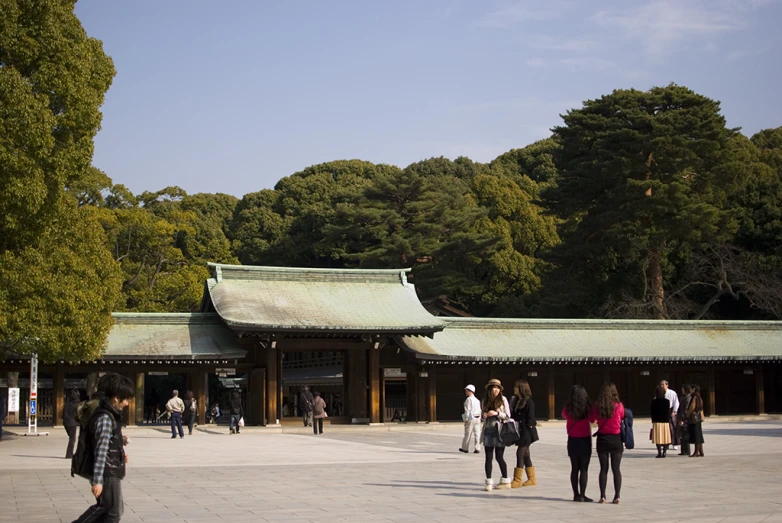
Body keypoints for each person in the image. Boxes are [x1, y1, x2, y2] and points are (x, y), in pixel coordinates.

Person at [72, 373, 135, 523]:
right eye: (125, 399)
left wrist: (120, 451)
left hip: (111, 467)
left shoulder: (111, 415)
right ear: (115, 398)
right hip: (107, 471)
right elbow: (100, 450)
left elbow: (109, 441)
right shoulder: (105, 418)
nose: (127, 403)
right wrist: (98, 480)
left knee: (110, 509)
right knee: (113, 512)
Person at [591, 382, 625, 504]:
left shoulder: (598, 406)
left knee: (603, 469)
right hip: (616, 438)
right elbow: (621, 416)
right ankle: (617, 496)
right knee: (616, 469)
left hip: (603, 439)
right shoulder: (618, 405)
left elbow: (594, 419)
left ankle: (603, 496)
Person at [562, 385, 593, 502]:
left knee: (574, 468)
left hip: (572, 439)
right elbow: (593, 419)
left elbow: (563, 415)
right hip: (585, 439)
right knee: (584, 468)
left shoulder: (568, 407)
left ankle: (576, 494)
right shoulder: (587, 408)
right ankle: (583, 494)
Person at [480, 378, 512, 491]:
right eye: (494, 387)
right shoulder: (485, 400)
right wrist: (484, 415)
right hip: (488, 429)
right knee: (488, 457)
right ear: (490, 389)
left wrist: (497, 413)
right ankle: (488, 482)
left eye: (498, 388)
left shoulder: (503, 399)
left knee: (499, 457)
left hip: (499, 430)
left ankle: (505, 479)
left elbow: (508, 415)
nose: (496, 390)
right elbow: (481, 415)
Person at [510, 379, 537, 488]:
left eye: (516, 387)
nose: (514, 388)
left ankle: (517, 479)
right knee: (526, 455)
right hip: (519, 430)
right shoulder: (516, 400)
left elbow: (531, 417)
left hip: (527, 431)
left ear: (521, 388)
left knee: (520, 453)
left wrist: (530, 425)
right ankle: (531, 478)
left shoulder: (528, 401)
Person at [459, 384, 482, 454]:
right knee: (477, 433)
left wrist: (466, 419)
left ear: (470, 391)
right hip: (478, 417)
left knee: (468, 433)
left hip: (471, 417)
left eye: (466, 391)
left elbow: (467, 410)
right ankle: (477, 448)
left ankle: (465, 448)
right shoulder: (477, 400)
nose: (466, 392)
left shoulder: (468, 399)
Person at [651, 384, 672, 458]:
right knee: (665, 437)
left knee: (658, 438)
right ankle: (664, 452)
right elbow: (668, 411)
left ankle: (659, 453)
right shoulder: (667, 401)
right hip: (665, 421)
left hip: (657, 421)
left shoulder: (654, 401)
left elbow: (652, 412)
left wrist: (652, 420)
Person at [660, 380, 680, 450]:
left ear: (667, 385)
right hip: (663, 412)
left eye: (663, 385)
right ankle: (665, 444)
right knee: (664, 429)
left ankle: (674, 443)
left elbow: (676, 402)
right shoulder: (659, 393)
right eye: (661, 385)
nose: (662, 386)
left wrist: (674, 411)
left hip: (671, 410)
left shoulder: (672, 393)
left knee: (672, 428)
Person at [686, 384, 705, 457]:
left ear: (694, 389)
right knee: (699, 434)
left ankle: (696, 451)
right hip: (698, 417)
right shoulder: (699, 396)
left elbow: (692, 407)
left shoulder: (694, 397)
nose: (690, 390)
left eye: (690, 389)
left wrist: (687, 415)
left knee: (696, 435)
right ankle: (700, 451)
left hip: (694, 418)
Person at [63, 389, 81, 459]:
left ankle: (69, 453)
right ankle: (69, 454)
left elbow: (64, 414)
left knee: (71, 438)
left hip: (66, 423)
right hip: (72, 423)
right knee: (72, 439)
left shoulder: (67, 404)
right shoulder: (77, 405)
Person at [677, 384, 692, 456]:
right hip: (681, 416)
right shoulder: (683, 397)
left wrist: (682, 418)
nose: (681, 390)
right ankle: (683, 450)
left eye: (683, 389)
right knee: (682, 435)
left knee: (685, 435)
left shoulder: (688, 398)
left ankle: (687, 450)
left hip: (685, 418)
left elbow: (686, 409)